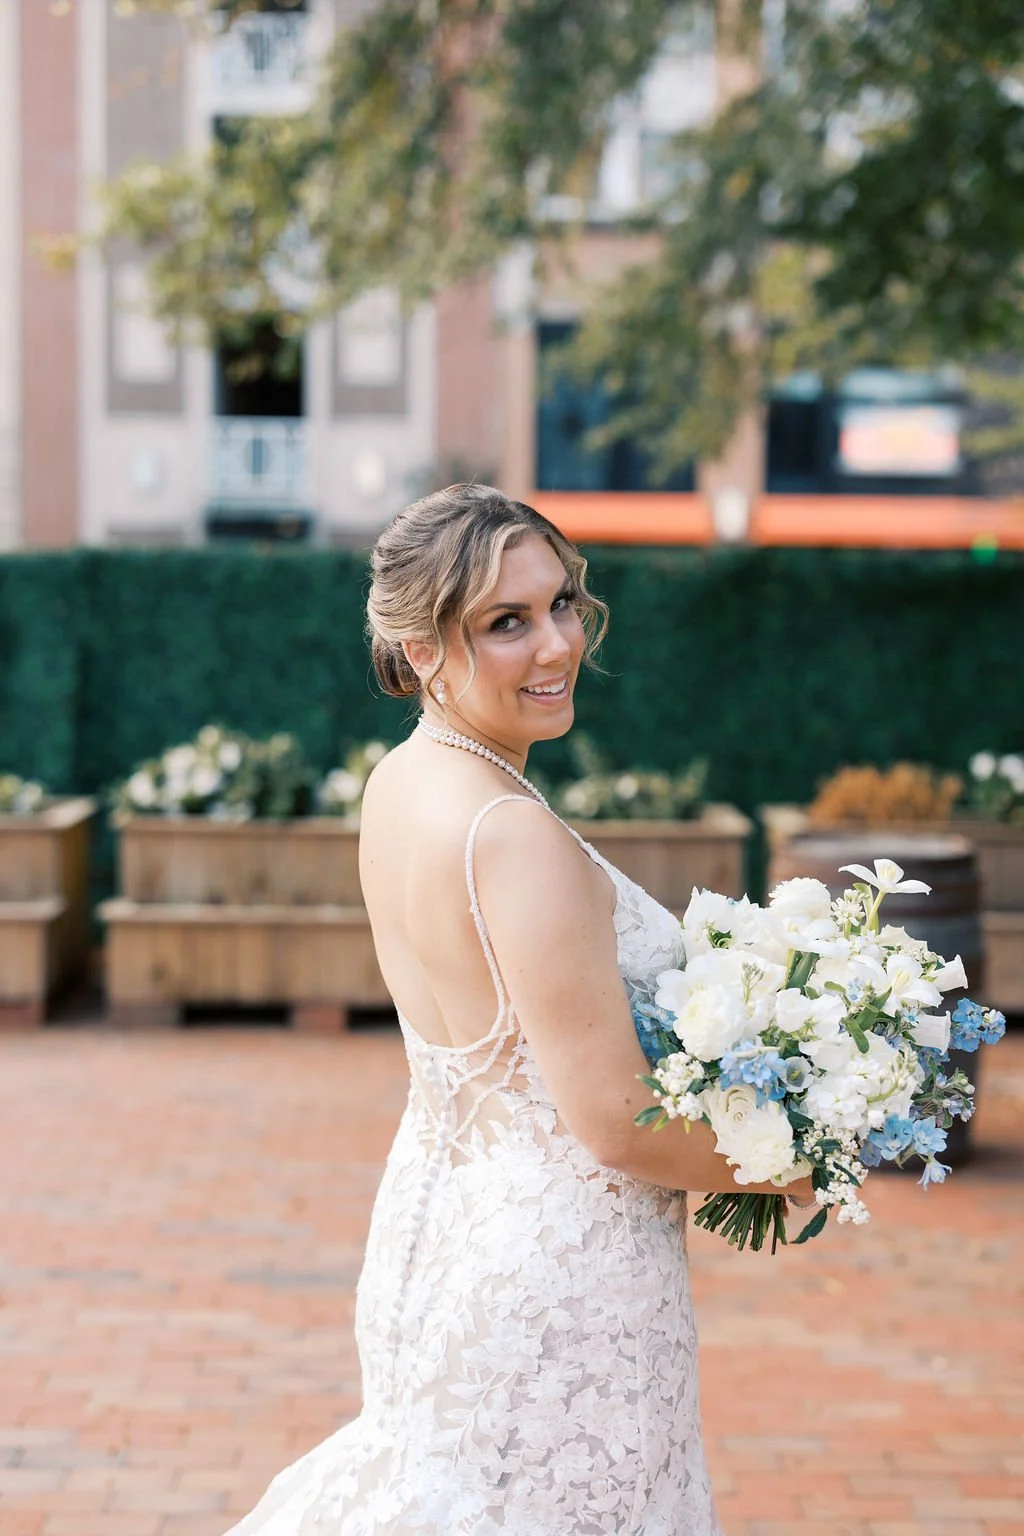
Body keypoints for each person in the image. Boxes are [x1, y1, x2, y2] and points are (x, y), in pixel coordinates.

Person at [225, 484, 812, 1536]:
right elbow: (615, 1121)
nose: (556, 645)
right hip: (559, 1281)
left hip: (434, 1232)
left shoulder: (402, 781)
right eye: (506, 622)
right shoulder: (511, 834)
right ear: (419, 650)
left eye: (561, 604)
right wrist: (799, 1154)